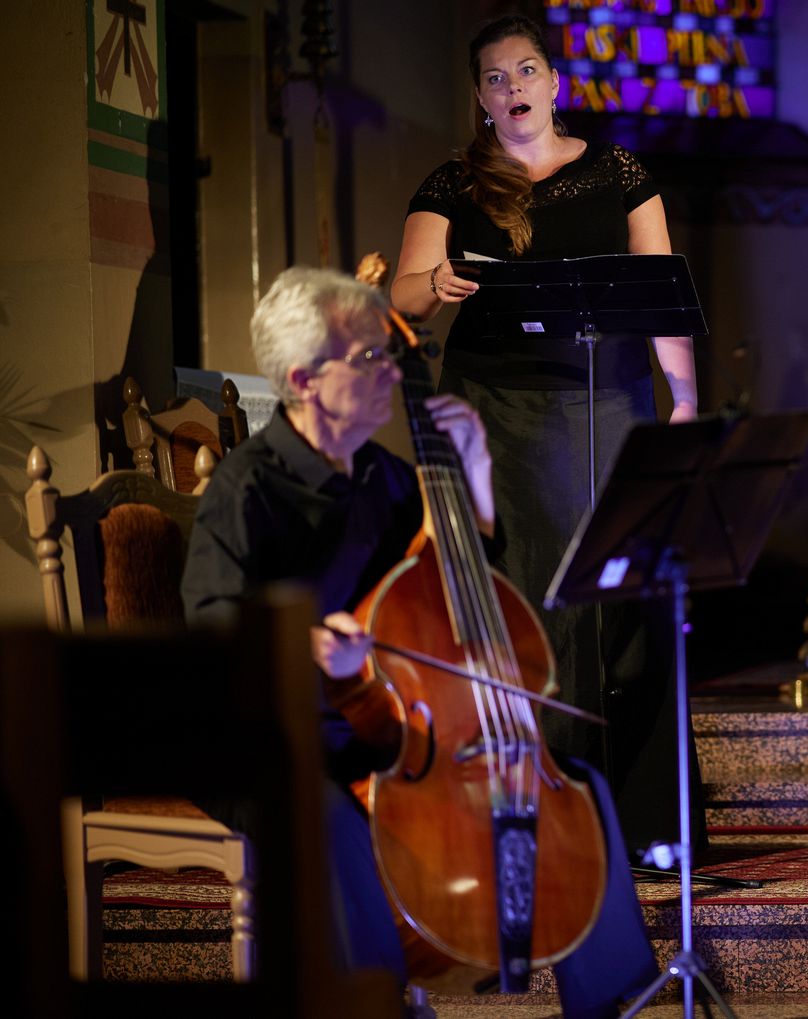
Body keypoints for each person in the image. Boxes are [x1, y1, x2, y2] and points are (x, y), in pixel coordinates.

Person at [182, 267, 656, 1017]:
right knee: (330, 814)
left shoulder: (385, 476)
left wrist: (477, 478)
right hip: (276, 735)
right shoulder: (247, 489)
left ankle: (610, 1002)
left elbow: (459, 582)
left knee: (578, 785)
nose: (390, 369)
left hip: (389, 724)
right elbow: (213, 629)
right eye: (370, 356)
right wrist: (307, 645)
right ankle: (375, 1002)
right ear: (303, 381)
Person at [390, 13, 700, 852]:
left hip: (609, 402)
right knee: (515, 598)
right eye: (495, 78)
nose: (513, 87)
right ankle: (527, 813)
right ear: (480, 98)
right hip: (494, 412)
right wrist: (436, 280)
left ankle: (636, 820)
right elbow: (402, 294)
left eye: (526, 70)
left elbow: (661, 292)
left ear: (555, 81)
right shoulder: (455, 182)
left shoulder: (619, 172)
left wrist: (683, 401)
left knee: (620, 597)